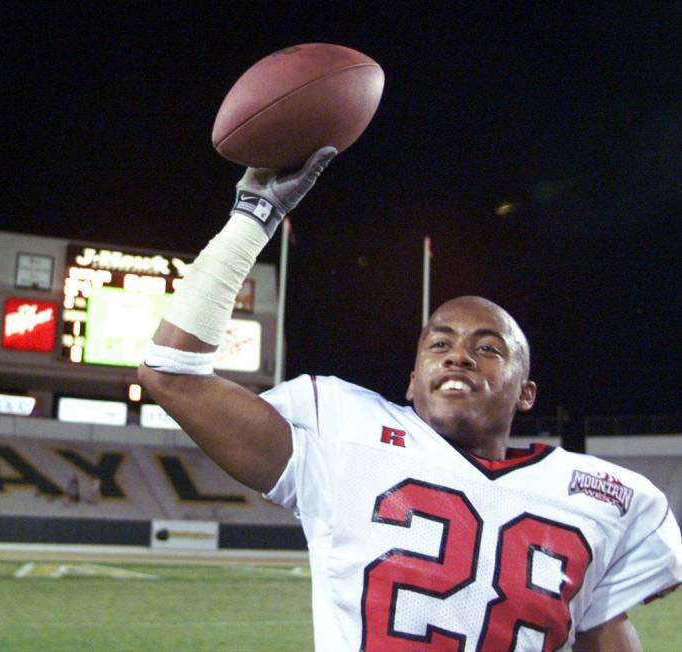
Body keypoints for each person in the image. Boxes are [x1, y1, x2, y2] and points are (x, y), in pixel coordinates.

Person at [139, 148, 682, 651]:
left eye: (487, 348)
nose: (458, 356)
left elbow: (604, 631)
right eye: (439, 343)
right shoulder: (341, 434)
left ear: (526, 393)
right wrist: (253, 216)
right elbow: (171, 375)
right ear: (411, 382)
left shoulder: (605, 500)